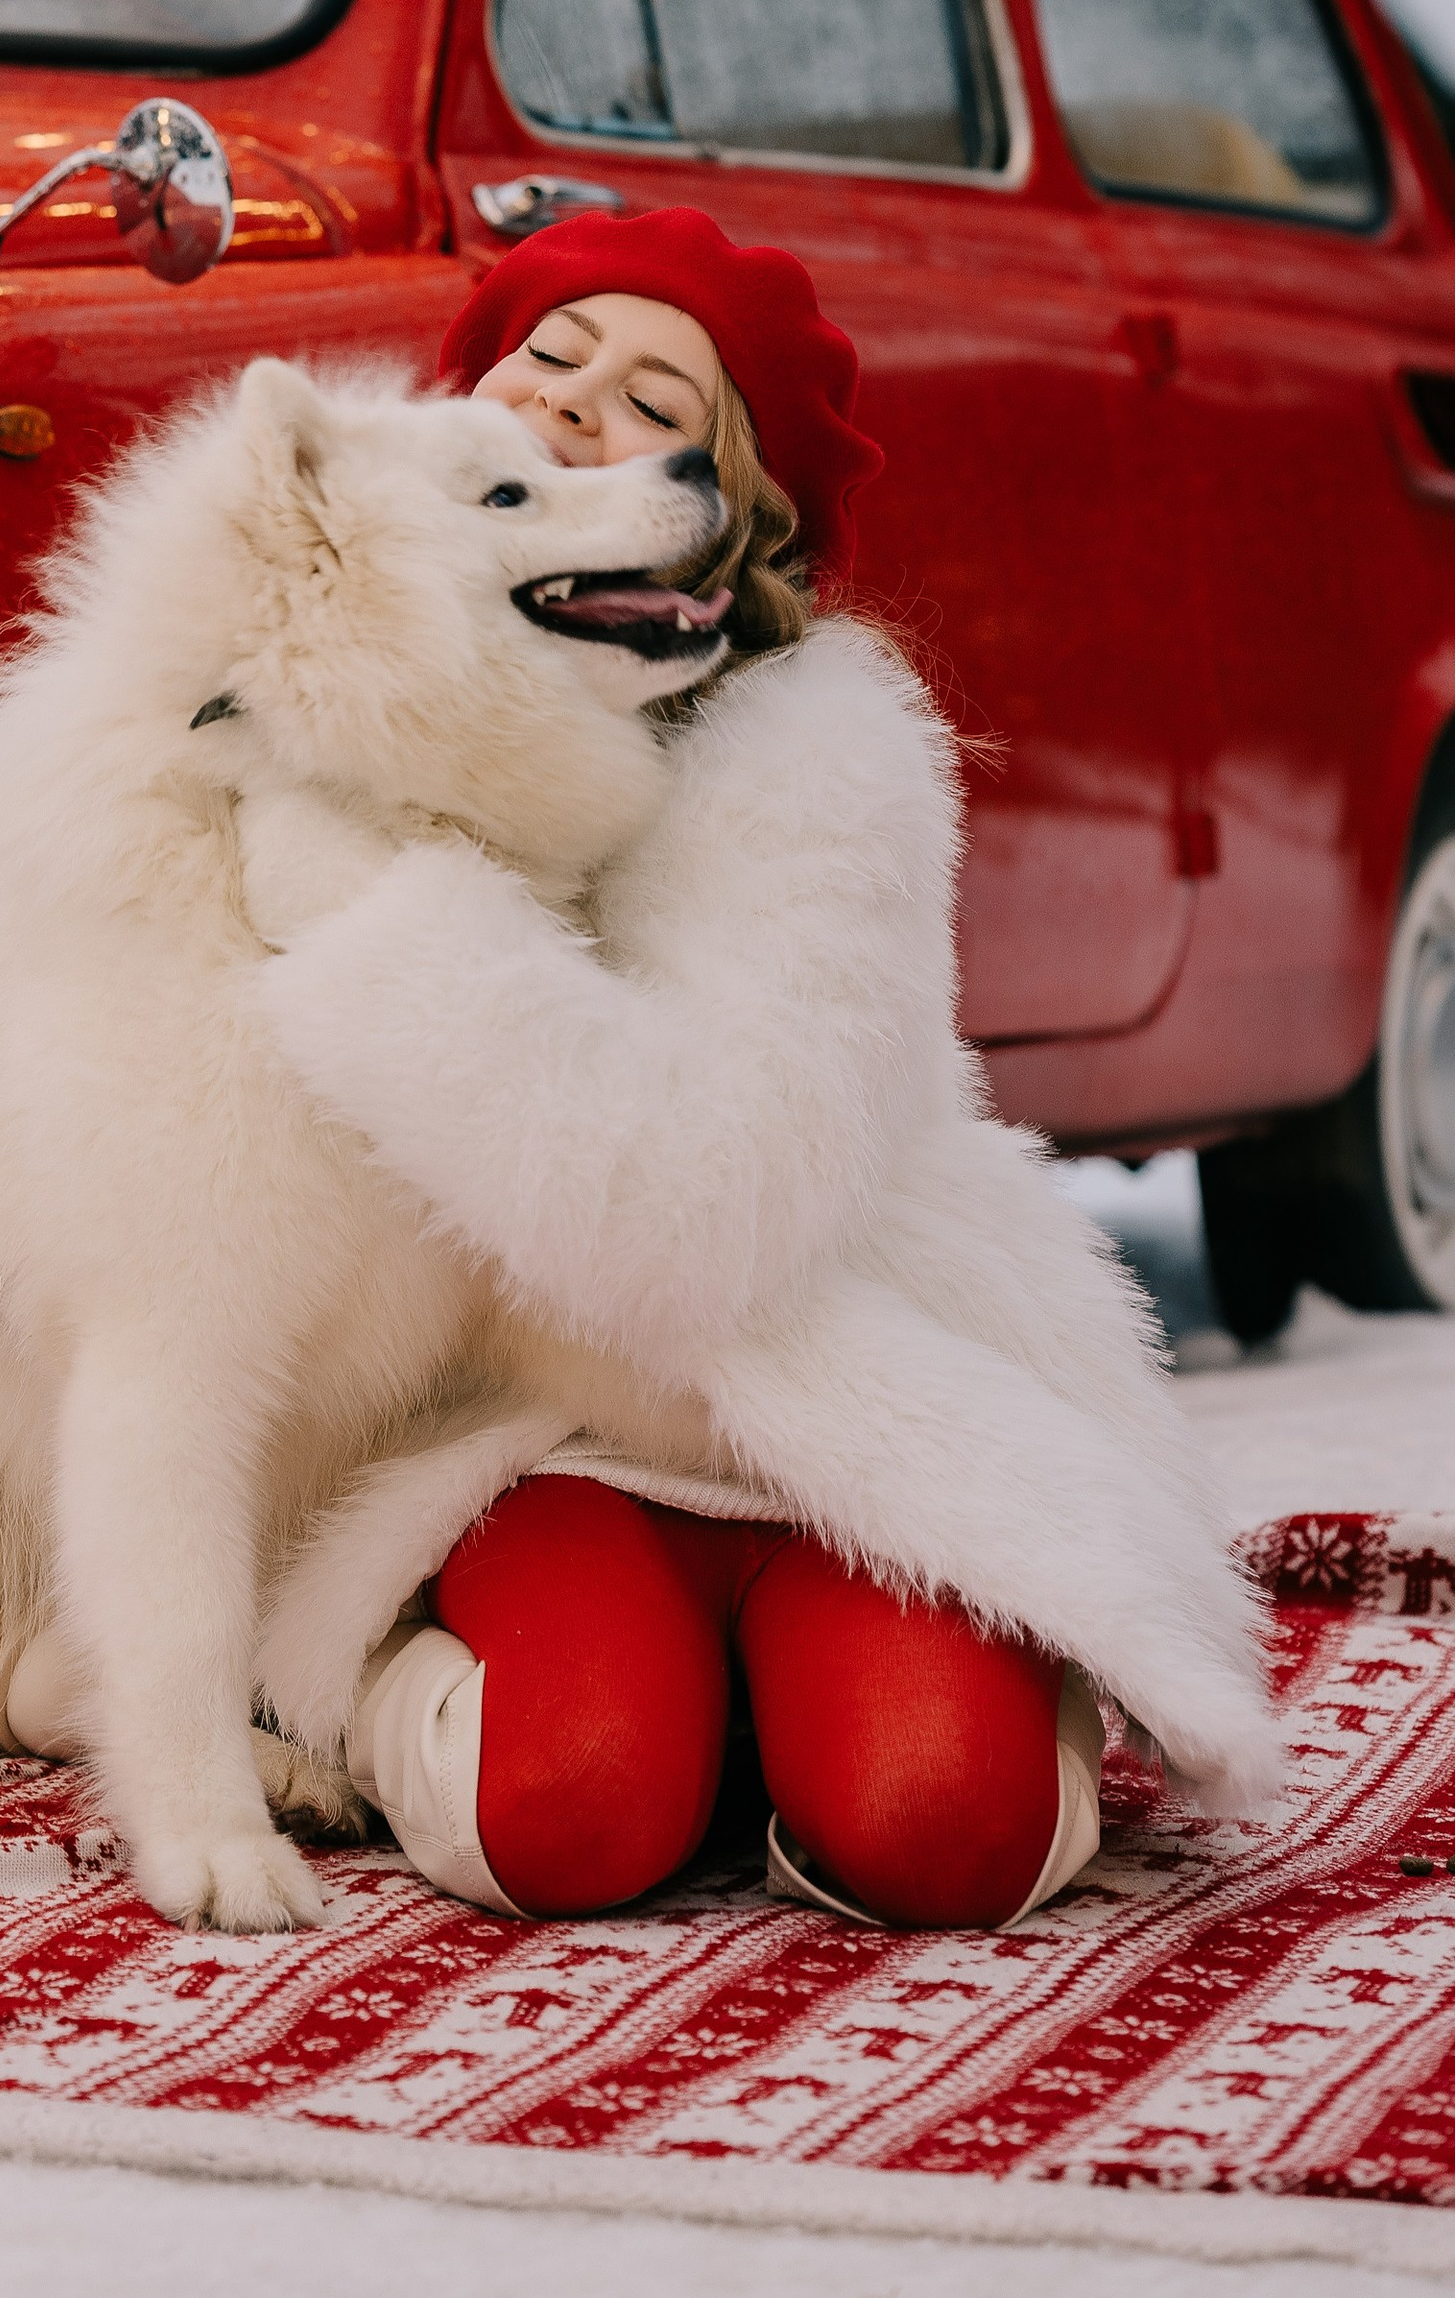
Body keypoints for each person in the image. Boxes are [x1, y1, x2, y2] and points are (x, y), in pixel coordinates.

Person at [285, 204, 1255, 1931]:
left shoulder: (823, 757)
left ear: (739, 523)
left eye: (654, 393)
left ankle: (821, 1708)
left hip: (820, 1415)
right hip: (535, 1432)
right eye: (549, 358)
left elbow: (701, 1218)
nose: (580, 401)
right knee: (559, 1820)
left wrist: (386, 940)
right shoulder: (323, 697)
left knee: (947, 1833)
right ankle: (502, 1699)